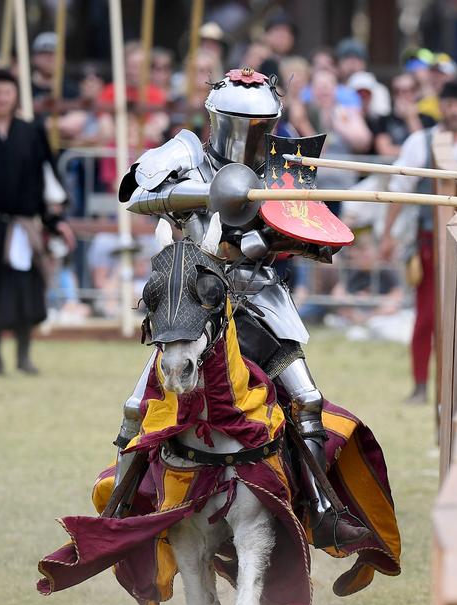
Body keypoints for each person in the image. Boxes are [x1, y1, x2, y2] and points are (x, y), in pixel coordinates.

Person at [115, 67, 370, 549]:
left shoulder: (283, 167)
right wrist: (206, 195)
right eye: (240, 122)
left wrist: (264, 236)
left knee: (307, 398)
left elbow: (307, 233)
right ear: (217, 117)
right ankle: (121, 510)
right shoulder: (186, 152)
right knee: (137, 405)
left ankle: (320, 510)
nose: (252, 135)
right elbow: (135, 194)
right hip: (194, 300)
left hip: (257, 295)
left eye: (261, 126)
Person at [377, 79, 457, 404]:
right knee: (426, 316)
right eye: (448, 103)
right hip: (431, 242)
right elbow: (399, 190)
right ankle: (422, 385)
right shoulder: (419, 142)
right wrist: (388, 235)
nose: (453, 110)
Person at [0, 69, 74, 375]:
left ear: (14, 97)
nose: (0, 97)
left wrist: (54, 220)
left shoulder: (30, 133)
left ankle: (24, 355)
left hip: (23, 226)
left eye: (6, 92)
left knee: (25, 291)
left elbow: (47, 181)